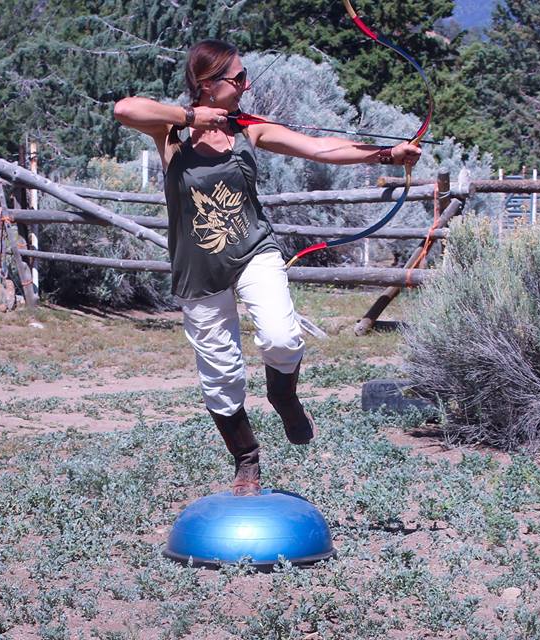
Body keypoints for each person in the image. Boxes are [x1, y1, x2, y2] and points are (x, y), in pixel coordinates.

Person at [114, 39, 421, 496]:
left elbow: (319, 149)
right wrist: (192, 117)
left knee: (281, 336)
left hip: (254, 250)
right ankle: (246, 458)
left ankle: (283, 394)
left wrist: (385, 155)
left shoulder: (248, 129)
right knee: (220, 375)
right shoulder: (170, 132)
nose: (246, 84)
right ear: (207, 83)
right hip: (198, 268)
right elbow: (124, 109)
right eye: (237, 78)